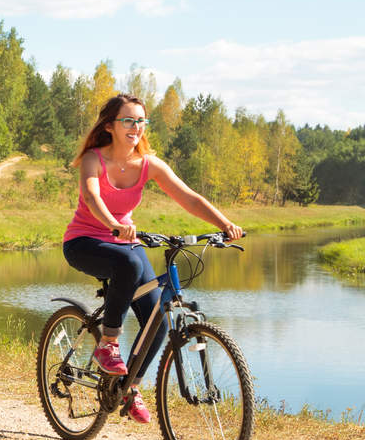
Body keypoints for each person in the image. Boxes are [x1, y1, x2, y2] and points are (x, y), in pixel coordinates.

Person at [61, 93, 243, 423]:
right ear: (110, 126)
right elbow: (91, 195)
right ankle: (108, 343)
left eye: (141, 121)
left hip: (124, 244)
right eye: (128, 120)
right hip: (85, 242)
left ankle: (130, 388)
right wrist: (115, 225)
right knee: (129, 263)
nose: (136, 127)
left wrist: (224, 224)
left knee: (159, 317)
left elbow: (189, 198)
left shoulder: (149, 164)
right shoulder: (93, 158)